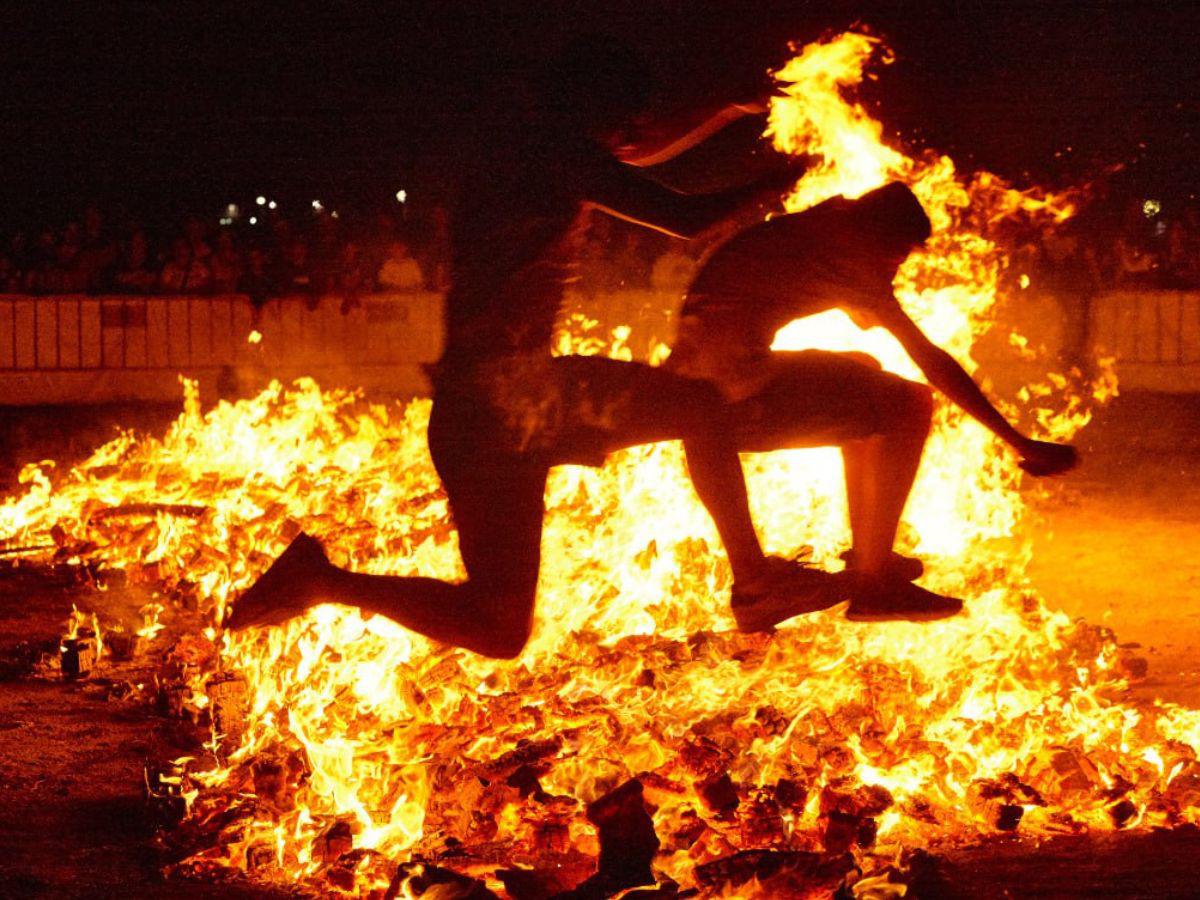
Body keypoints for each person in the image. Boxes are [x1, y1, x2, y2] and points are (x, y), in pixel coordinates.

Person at [227, 35, 845, 655]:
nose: (631, 133)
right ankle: (757, 582)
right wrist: (789, 175)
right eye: (623, 119)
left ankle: (324, 581)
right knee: (702, 407)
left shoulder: (526, 147)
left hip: (482, 411)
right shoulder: (556, 155)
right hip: (518, 397)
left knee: (498, 628)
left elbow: (632, 150)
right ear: (592, 110)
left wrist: (729, 109)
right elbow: (684, 219)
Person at [666, 182, 1079, 621]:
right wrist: (1018, 441)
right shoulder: (851, 253)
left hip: (697, 383)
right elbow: (931, 362)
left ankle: (868, 555)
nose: (894, 272)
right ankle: (874, 582)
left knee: (861, 367)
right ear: (877, 237)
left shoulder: (821, 230)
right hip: (732, 395)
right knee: (909, 402)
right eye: (896, 258)